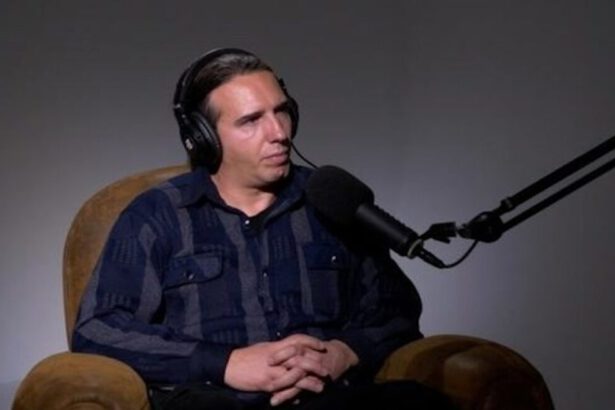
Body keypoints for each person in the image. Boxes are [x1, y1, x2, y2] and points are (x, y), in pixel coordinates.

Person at [72, 48, 455, 410]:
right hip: (216, 401)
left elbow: (396, 310)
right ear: (204, 138)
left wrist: (345, 352)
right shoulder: (157, 215)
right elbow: (98, 329)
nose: (279, 133)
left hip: (328, 399)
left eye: (282, 112)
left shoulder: (330, 202)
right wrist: (225, 362)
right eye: (251, 120)